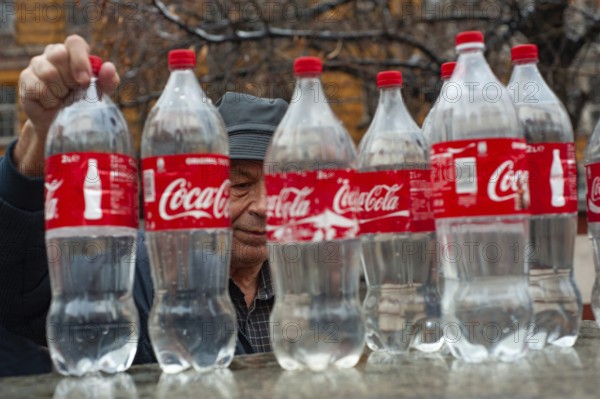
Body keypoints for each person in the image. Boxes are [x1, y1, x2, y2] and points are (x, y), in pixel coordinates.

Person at [0, 35, 285, 376]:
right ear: (190, 190)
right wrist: (43, 138)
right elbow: (17, 299)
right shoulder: (128, 270)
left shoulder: (304, 280)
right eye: (240, 184)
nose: (266, 206)